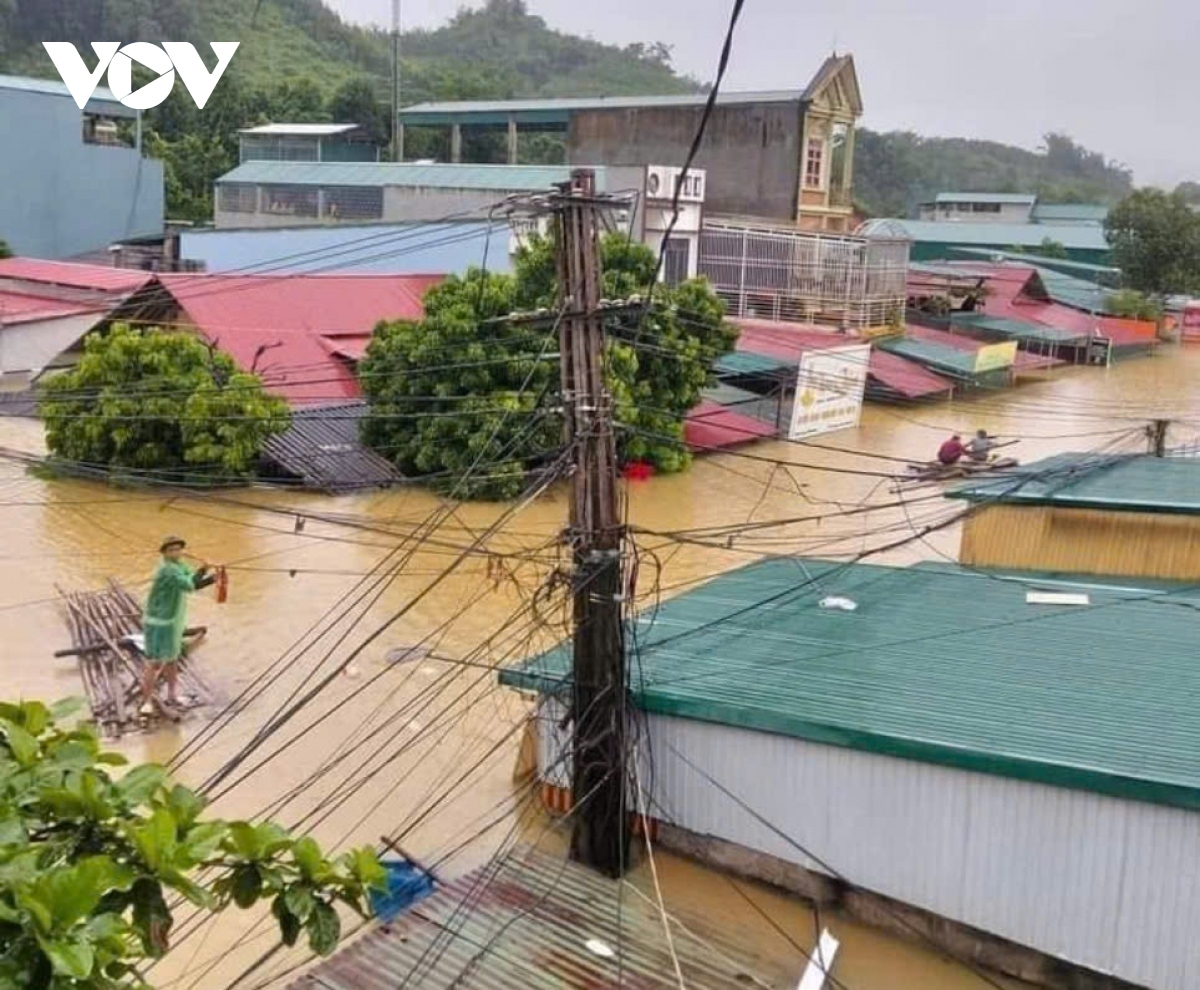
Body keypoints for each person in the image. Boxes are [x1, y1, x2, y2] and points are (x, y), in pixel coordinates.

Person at [141, 536, 215, 715]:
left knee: (172, 660)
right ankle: (146, 702)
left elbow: (192, 582)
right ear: (165, 552)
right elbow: (188, 585)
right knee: (155, 662)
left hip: (173, 620)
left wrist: (212, 578)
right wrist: (204, 570)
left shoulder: (180, 564)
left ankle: (172, 695)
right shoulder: (168, 569)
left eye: (178, 549)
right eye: (171, 549)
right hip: (159, 622)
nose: (176, 552)